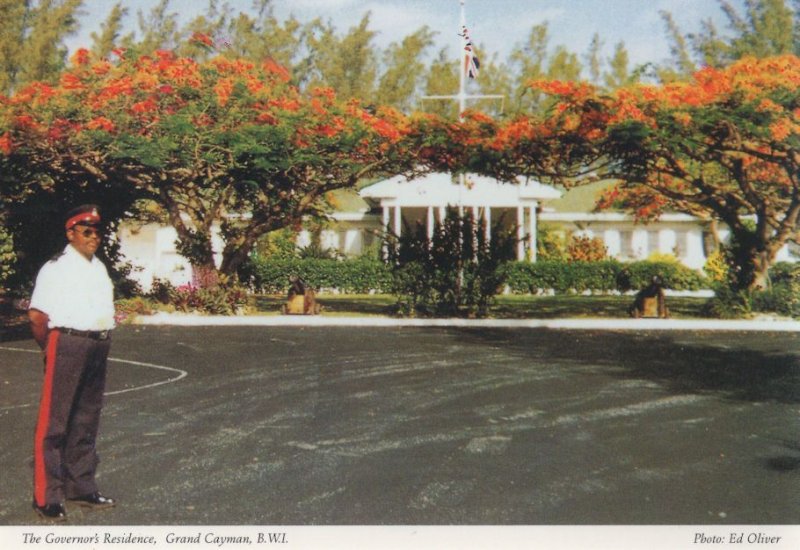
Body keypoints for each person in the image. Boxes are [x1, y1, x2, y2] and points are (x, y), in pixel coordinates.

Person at [28, 205, 117, 521]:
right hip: (67, 342)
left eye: (97, 232)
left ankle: (81, 487)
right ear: (71, 233)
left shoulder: (98, 267)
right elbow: (38, 316)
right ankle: (47, 497)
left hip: (97, 345)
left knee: (86, 420)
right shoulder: (57, 268)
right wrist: (49, 349)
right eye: (86, 231)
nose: (94, 237)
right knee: (54, 423)